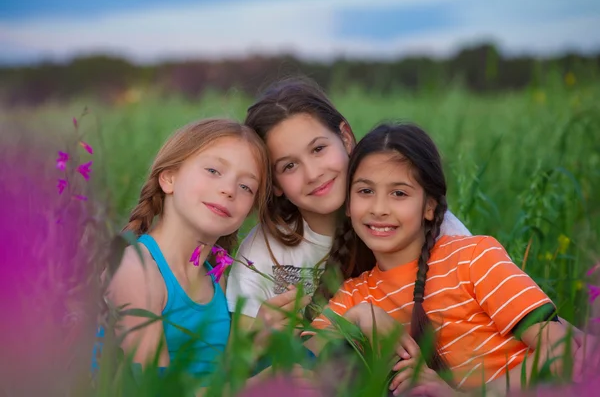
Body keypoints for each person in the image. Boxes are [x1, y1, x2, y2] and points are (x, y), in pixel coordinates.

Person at [305, 123, 575, 396]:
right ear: (348, 205)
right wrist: (356, 317)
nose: (379, 209)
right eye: (365, 191)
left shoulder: (473, 258)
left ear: (430, 207)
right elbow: (294, 371)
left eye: (399, 193)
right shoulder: (355, 296)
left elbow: (562, 351)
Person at [226, 78, 471, 329]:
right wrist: (260, 333)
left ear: (345, 138)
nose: (312, 173)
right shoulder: (262, 252)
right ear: (274, 183)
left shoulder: (418, 222)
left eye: (318, 149)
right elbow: (238, 362)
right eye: (289, 166)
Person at [102, 118, 310, 385]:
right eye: (213, 171)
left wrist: (255, 340)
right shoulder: (136, 269)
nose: (229, 190)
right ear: (169, 178)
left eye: (246, 187)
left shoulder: (215, 277)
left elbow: (215, 378)